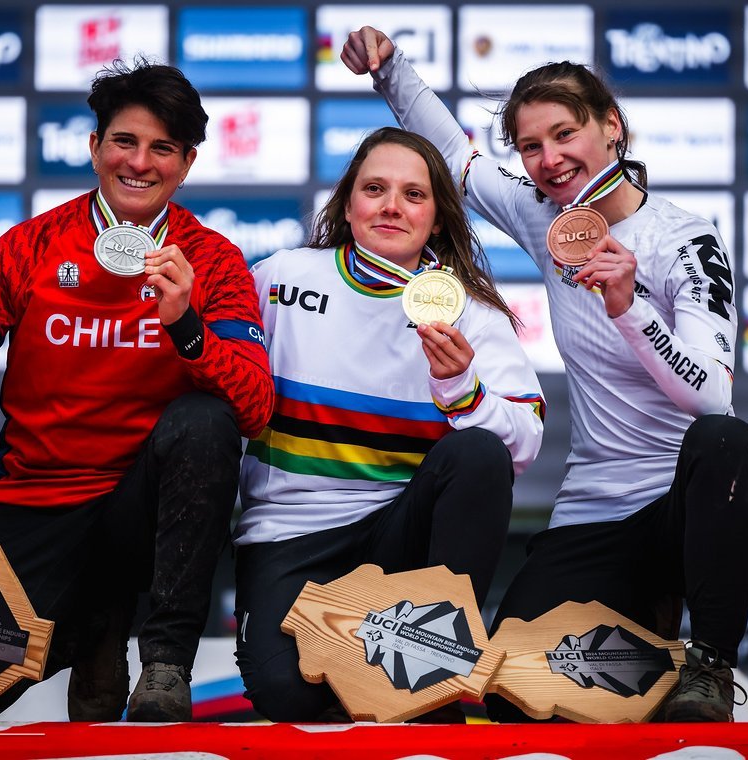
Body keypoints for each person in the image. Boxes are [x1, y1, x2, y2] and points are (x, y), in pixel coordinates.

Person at [342, 29, 748, 723]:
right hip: (597, 505)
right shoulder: (547, 216)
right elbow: (456, 155)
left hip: (684, 508)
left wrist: (630, 307)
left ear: (612, 128)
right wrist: (389, 68)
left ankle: (711, 665)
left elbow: (710, 397)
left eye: (564, 134)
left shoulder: (682, 239)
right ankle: (652, 652)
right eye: (530, 146)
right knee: (515, 698)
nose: (548, 160)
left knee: (725, 442)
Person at [0, 58, 274, 723]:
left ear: (187, 163)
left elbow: (253, 408)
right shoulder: (27, 248)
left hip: (144, 513)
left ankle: (165, 659)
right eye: (124, 142)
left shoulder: (211, 260)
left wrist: (188, 327)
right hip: (40, 505)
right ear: (94, 148)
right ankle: (88, 628)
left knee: (204, 422)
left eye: (162, 148)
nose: (140, 162)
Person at [233, 126, 546, 723]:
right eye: (374, 189)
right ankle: (407, 667)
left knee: (477, 452)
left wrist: (461, 390)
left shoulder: (471, 312)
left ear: (437, 218)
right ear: (348, 204)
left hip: (399, 537)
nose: (392, 206)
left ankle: (440, 666)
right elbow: (226, 379)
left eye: (414, 194)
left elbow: (523, 441)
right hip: (291, 542)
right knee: (294, 697)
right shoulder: (281, 278)